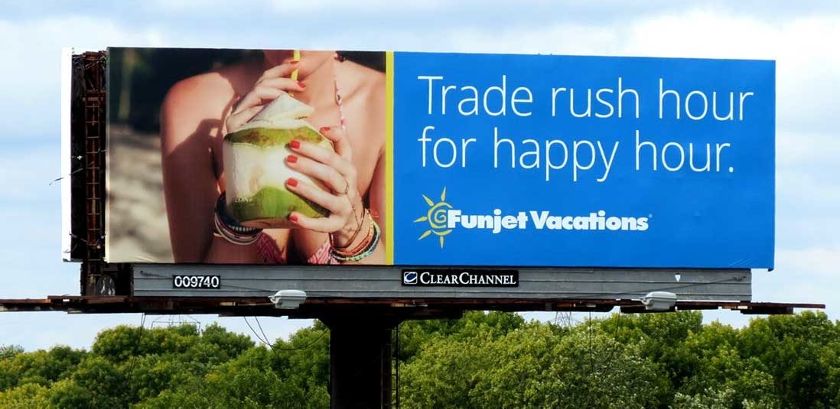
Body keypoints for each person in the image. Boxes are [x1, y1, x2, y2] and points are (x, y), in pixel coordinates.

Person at [161, 50, 386, 264]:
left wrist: (353, 233)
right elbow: (199, 294)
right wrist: (237, 211)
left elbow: (400, 295)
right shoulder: (195, 105)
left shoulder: (388, 102)